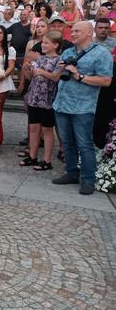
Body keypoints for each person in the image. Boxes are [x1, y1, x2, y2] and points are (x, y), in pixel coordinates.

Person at [52, 21, 113, 195]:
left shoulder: (102, 54)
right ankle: (71, 173)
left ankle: (88, 180)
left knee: (85, 144)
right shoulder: (68, 51)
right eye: (72, 30)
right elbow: (58, 77)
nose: (73, 33)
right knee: (67, 142)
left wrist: (79, 76)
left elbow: (106, 80)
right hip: (62, 103)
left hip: (83, 106)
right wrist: (61, 69)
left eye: (77, 31)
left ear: (89, 33)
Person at [19, 31, 63, 171]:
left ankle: (47, 160)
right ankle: (32, 156)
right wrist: (26, 70)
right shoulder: (39, 59)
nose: (42, 45)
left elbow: (56, 78)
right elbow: (31, 77)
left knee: (47, 130)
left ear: (55, 45)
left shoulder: (59, 60)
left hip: (48, 99)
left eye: (46, 43)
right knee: (33, 129)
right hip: (34, 98)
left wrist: (42, 72)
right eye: (42, 42)